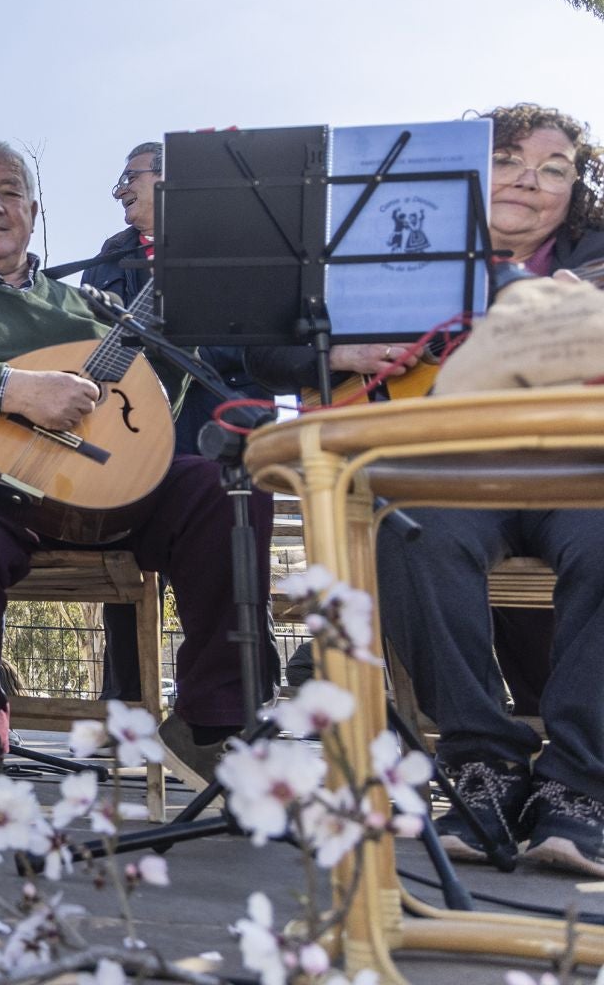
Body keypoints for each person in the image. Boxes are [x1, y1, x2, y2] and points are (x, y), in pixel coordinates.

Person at [254, 104, 604, 875]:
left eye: (555, 168)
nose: (529, 180)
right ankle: (485, 764)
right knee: (409, 531)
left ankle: (582, 784)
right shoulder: (397, 245)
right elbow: (264, 350)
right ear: (474, 169)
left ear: (576, 190)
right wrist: (340, 348)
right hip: (446, 467)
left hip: (579, 471)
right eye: (511, 159)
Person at [0, 140, 271, 799]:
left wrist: (178, 319)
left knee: (225, 490)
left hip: (102, 497)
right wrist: (12, 390)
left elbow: (145, 401)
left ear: (34, 210)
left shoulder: (84, 306)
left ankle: (206, 721)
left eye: (11, 191)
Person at [81, 140, 278, 705]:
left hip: (218, 424)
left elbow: (258, 341)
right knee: (120, 564)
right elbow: (88, 341)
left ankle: (236, 706)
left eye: (130, 176)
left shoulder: (233, 245)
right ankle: (126, 703)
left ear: (170, 179)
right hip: (133, 428)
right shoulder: (111, 255)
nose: (120, 188)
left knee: (232, 564)